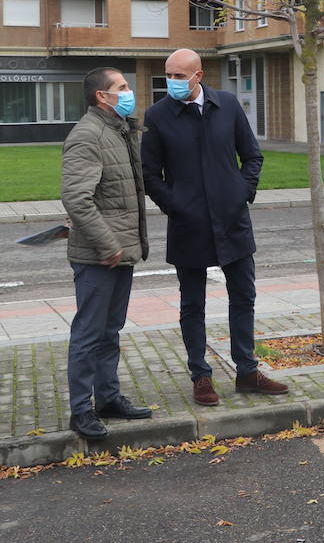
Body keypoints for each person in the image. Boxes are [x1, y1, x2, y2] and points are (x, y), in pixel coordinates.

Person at [141, 48, 288, 406]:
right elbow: (149, 175)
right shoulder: (158, 116)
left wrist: (242, 191)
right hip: (188, 225)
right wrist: (176, 206)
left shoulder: (228, 105)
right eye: (168, 76)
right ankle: (200, 376)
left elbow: (252, 155)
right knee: (193, 304)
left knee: (244, 297)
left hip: (232, 220)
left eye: (179, 76)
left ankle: (247, 372)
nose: (172, 82)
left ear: (198, 75)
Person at [60, 67, 154, 440]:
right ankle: (81, 411)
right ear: (103, 96)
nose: (129, 93)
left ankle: (109, 399)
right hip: (100, 255)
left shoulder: (117, 129)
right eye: (122, 87)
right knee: (88, 333)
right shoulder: (88, 134)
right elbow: (76, 199)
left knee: (109, 330)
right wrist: (108, 244)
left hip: (119, 252)